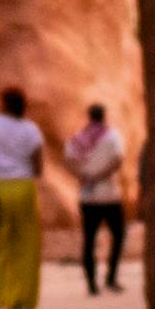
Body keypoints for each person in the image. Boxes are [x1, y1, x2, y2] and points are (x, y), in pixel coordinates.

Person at [0, 83, 47, 309]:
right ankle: (23, 304)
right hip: (24, 189)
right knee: (26, 246)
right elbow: (38, 166)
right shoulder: (32, 130)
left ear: (3, 103)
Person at [66, 93, 132, 294]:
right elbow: (119, 158)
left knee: (89, 239)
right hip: (109, 194)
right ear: (104, 116)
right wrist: (101, 175)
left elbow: (69, 160)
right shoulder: (112, 136)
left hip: (87, 196)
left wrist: (84, 176)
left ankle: (92, 284)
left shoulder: (78, 138)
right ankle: (111, 277)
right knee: (119, 235)